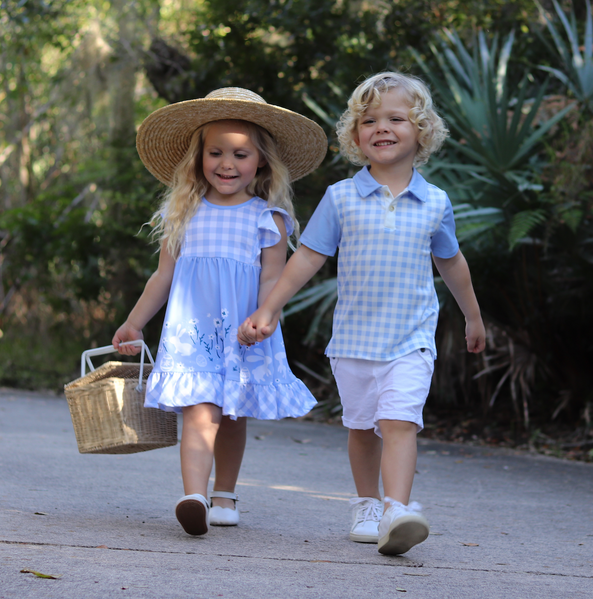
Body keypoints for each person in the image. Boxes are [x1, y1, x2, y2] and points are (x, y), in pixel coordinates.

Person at [238, 72, 486, 555]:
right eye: (369, 120)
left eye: (396, 118)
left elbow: (452, 262)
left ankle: (398, 509)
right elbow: (307, 257)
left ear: (422, 131)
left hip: (411, 339)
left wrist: (473, 317)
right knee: (361, 428)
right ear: (355, 136)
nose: (382, 127)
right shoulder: (341, 197)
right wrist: (268, 309)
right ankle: (367, 504)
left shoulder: (434, 203)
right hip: (353, 340)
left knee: (399, 422)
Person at [112, 87, 327, 536]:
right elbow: (162, 278)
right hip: (193, 329)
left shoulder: (267, 218)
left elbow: (274, 278)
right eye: (215, 153)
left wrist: (267, 316)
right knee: (199, 409)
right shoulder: (183, 213)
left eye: (240, 154)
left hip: (243, 329)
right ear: (199, 158)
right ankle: (193, 495)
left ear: (261, 161)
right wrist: (134, 322)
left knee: (231, 415)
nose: (226, 164)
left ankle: (224, 492)